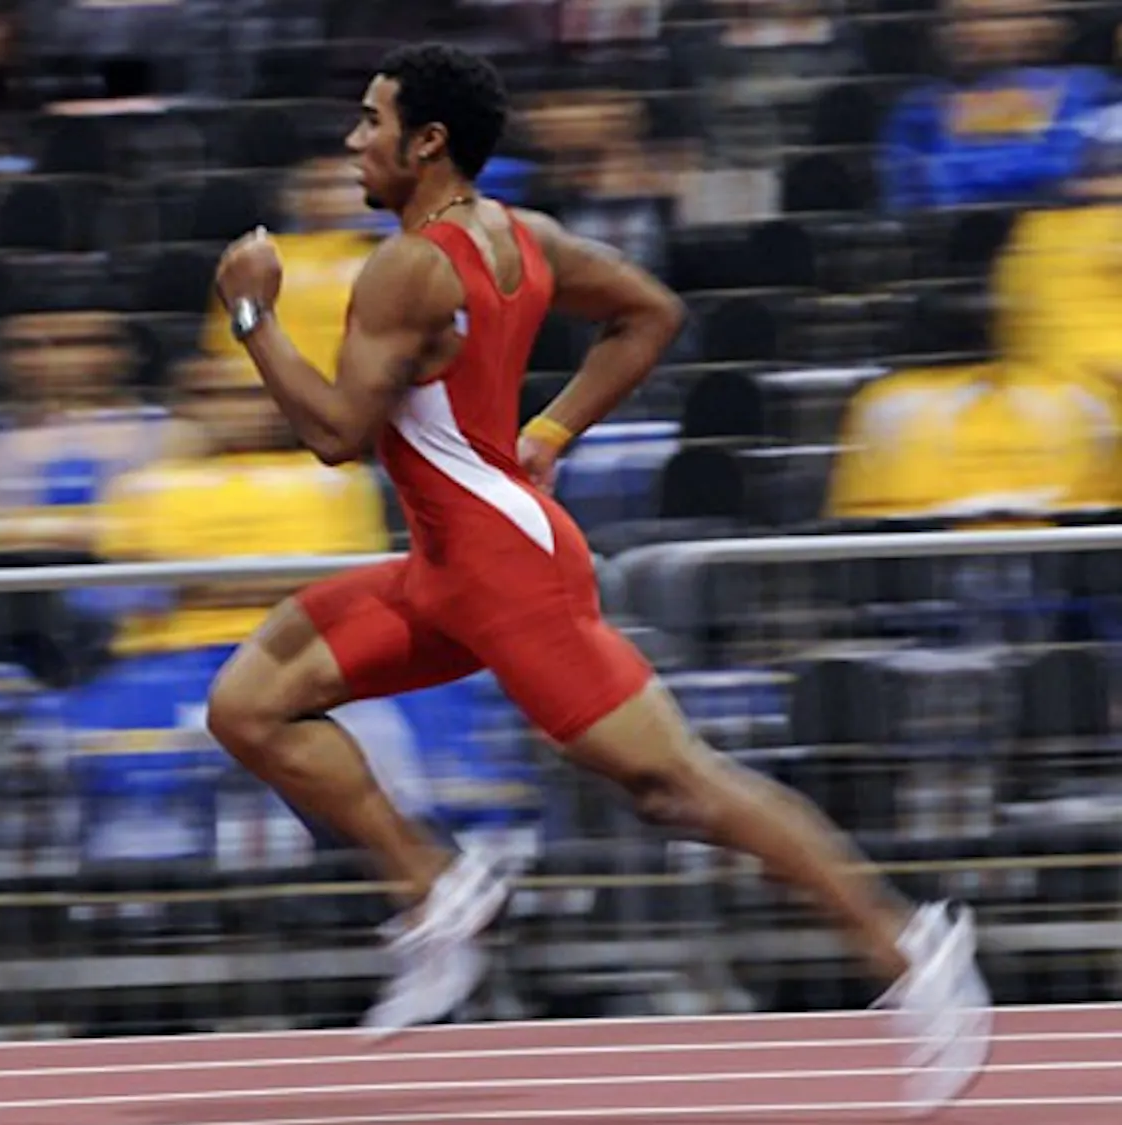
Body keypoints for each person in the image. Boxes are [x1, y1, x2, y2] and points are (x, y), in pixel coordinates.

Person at [207, 41, 991, 1112]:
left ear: (427, 142)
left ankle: (913, 948)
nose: (353, 141)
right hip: (450, 565)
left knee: (678, 784)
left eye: (371, 121)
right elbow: (651, 312)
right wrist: (550, 431)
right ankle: (436, 891)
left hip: (503, 573)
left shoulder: (407, 269)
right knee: (250, 704)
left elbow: (338, 436)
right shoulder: (522, 236)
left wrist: (252, 316)